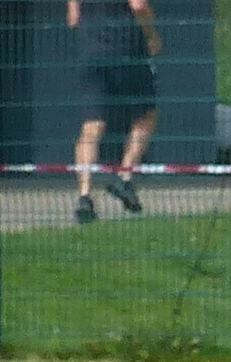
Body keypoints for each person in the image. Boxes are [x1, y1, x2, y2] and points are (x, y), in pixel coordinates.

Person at [70, 0, 160, 223]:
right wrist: (151, 35)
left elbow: (73, 19)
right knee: (145, 116)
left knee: (92, 126)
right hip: (127, 51)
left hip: (91, 55)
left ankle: (84, 195)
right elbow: (139, 6)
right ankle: (125, 177)